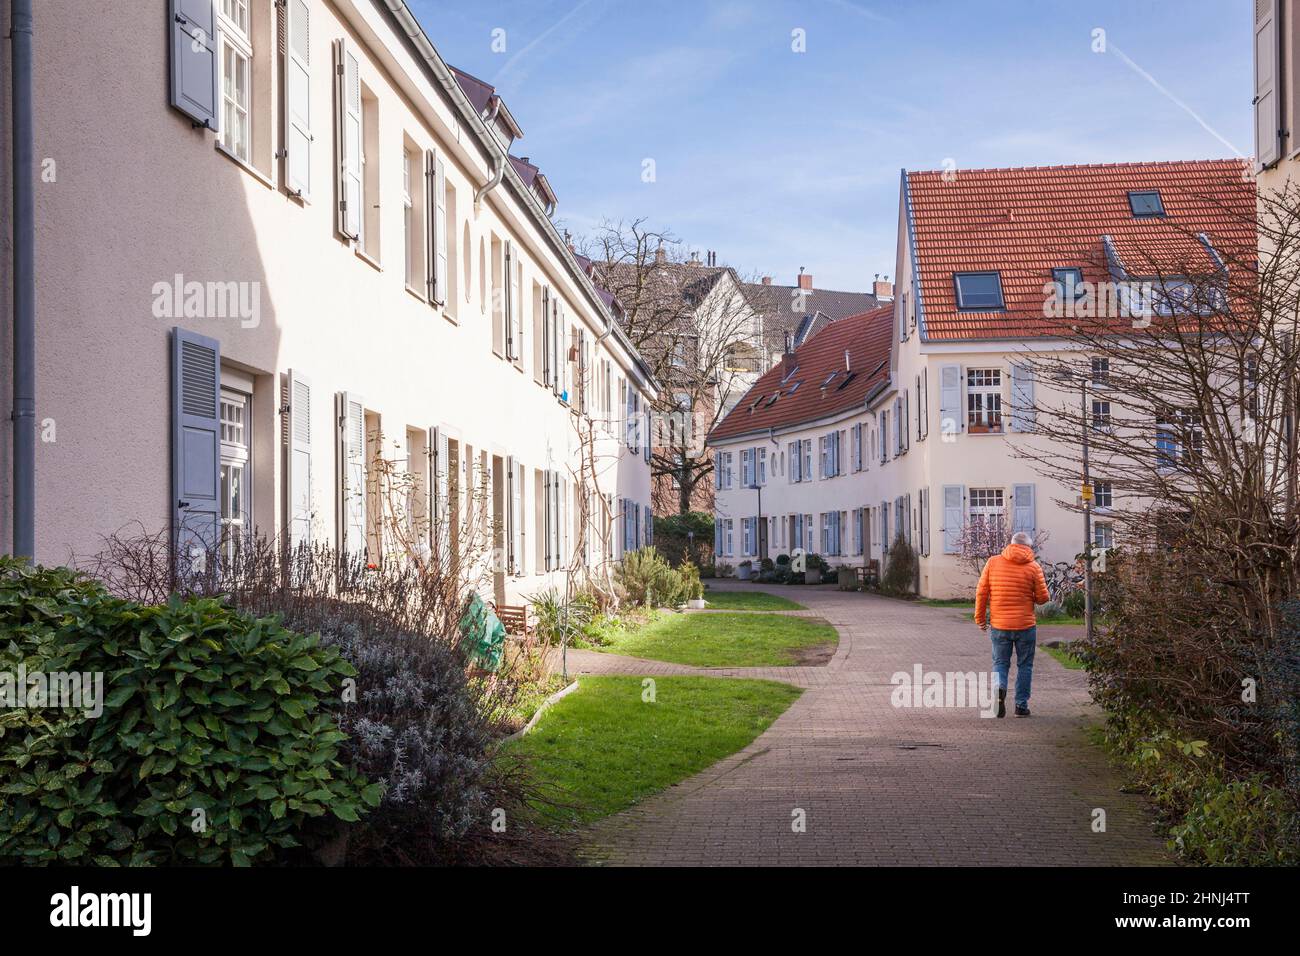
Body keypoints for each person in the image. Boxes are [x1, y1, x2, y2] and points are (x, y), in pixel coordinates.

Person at [974, 531, 1049, 718]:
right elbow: (1043, 598)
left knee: (1000, 663)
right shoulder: (1034, 567)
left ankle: (998, 693)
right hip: (1025, 625)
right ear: (1028, 547)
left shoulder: (993, 562)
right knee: (1025, 665)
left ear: (1011, 544)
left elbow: (981, 593)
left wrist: (980, 619)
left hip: (1000, 625)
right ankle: (1021, 706)